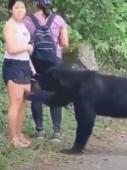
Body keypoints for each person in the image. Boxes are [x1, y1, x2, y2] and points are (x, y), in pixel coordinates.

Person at [24, 0, 69, 141]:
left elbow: (23, 41)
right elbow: (65, 43)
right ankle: (56, 132)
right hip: (54, 63)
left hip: (35, 62)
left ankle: (40, 131)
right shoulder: (58, 20)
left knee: (37, 93)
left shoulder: (27, 20)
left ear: (36, 4)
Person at [2, 0, 34, 147]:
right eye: (16, 7)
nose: (20, 10)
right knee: (15, 103)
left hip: (25, 65)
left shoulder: (23, 25)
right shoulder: (10, 25)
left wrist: (29, 49)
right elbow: (11, 49)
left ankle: (19, 135)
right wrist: (27, 47)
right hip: (13, 66)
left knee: (23, 103)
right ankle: (13, 138)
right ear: (11, 10)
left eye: (22, 7)